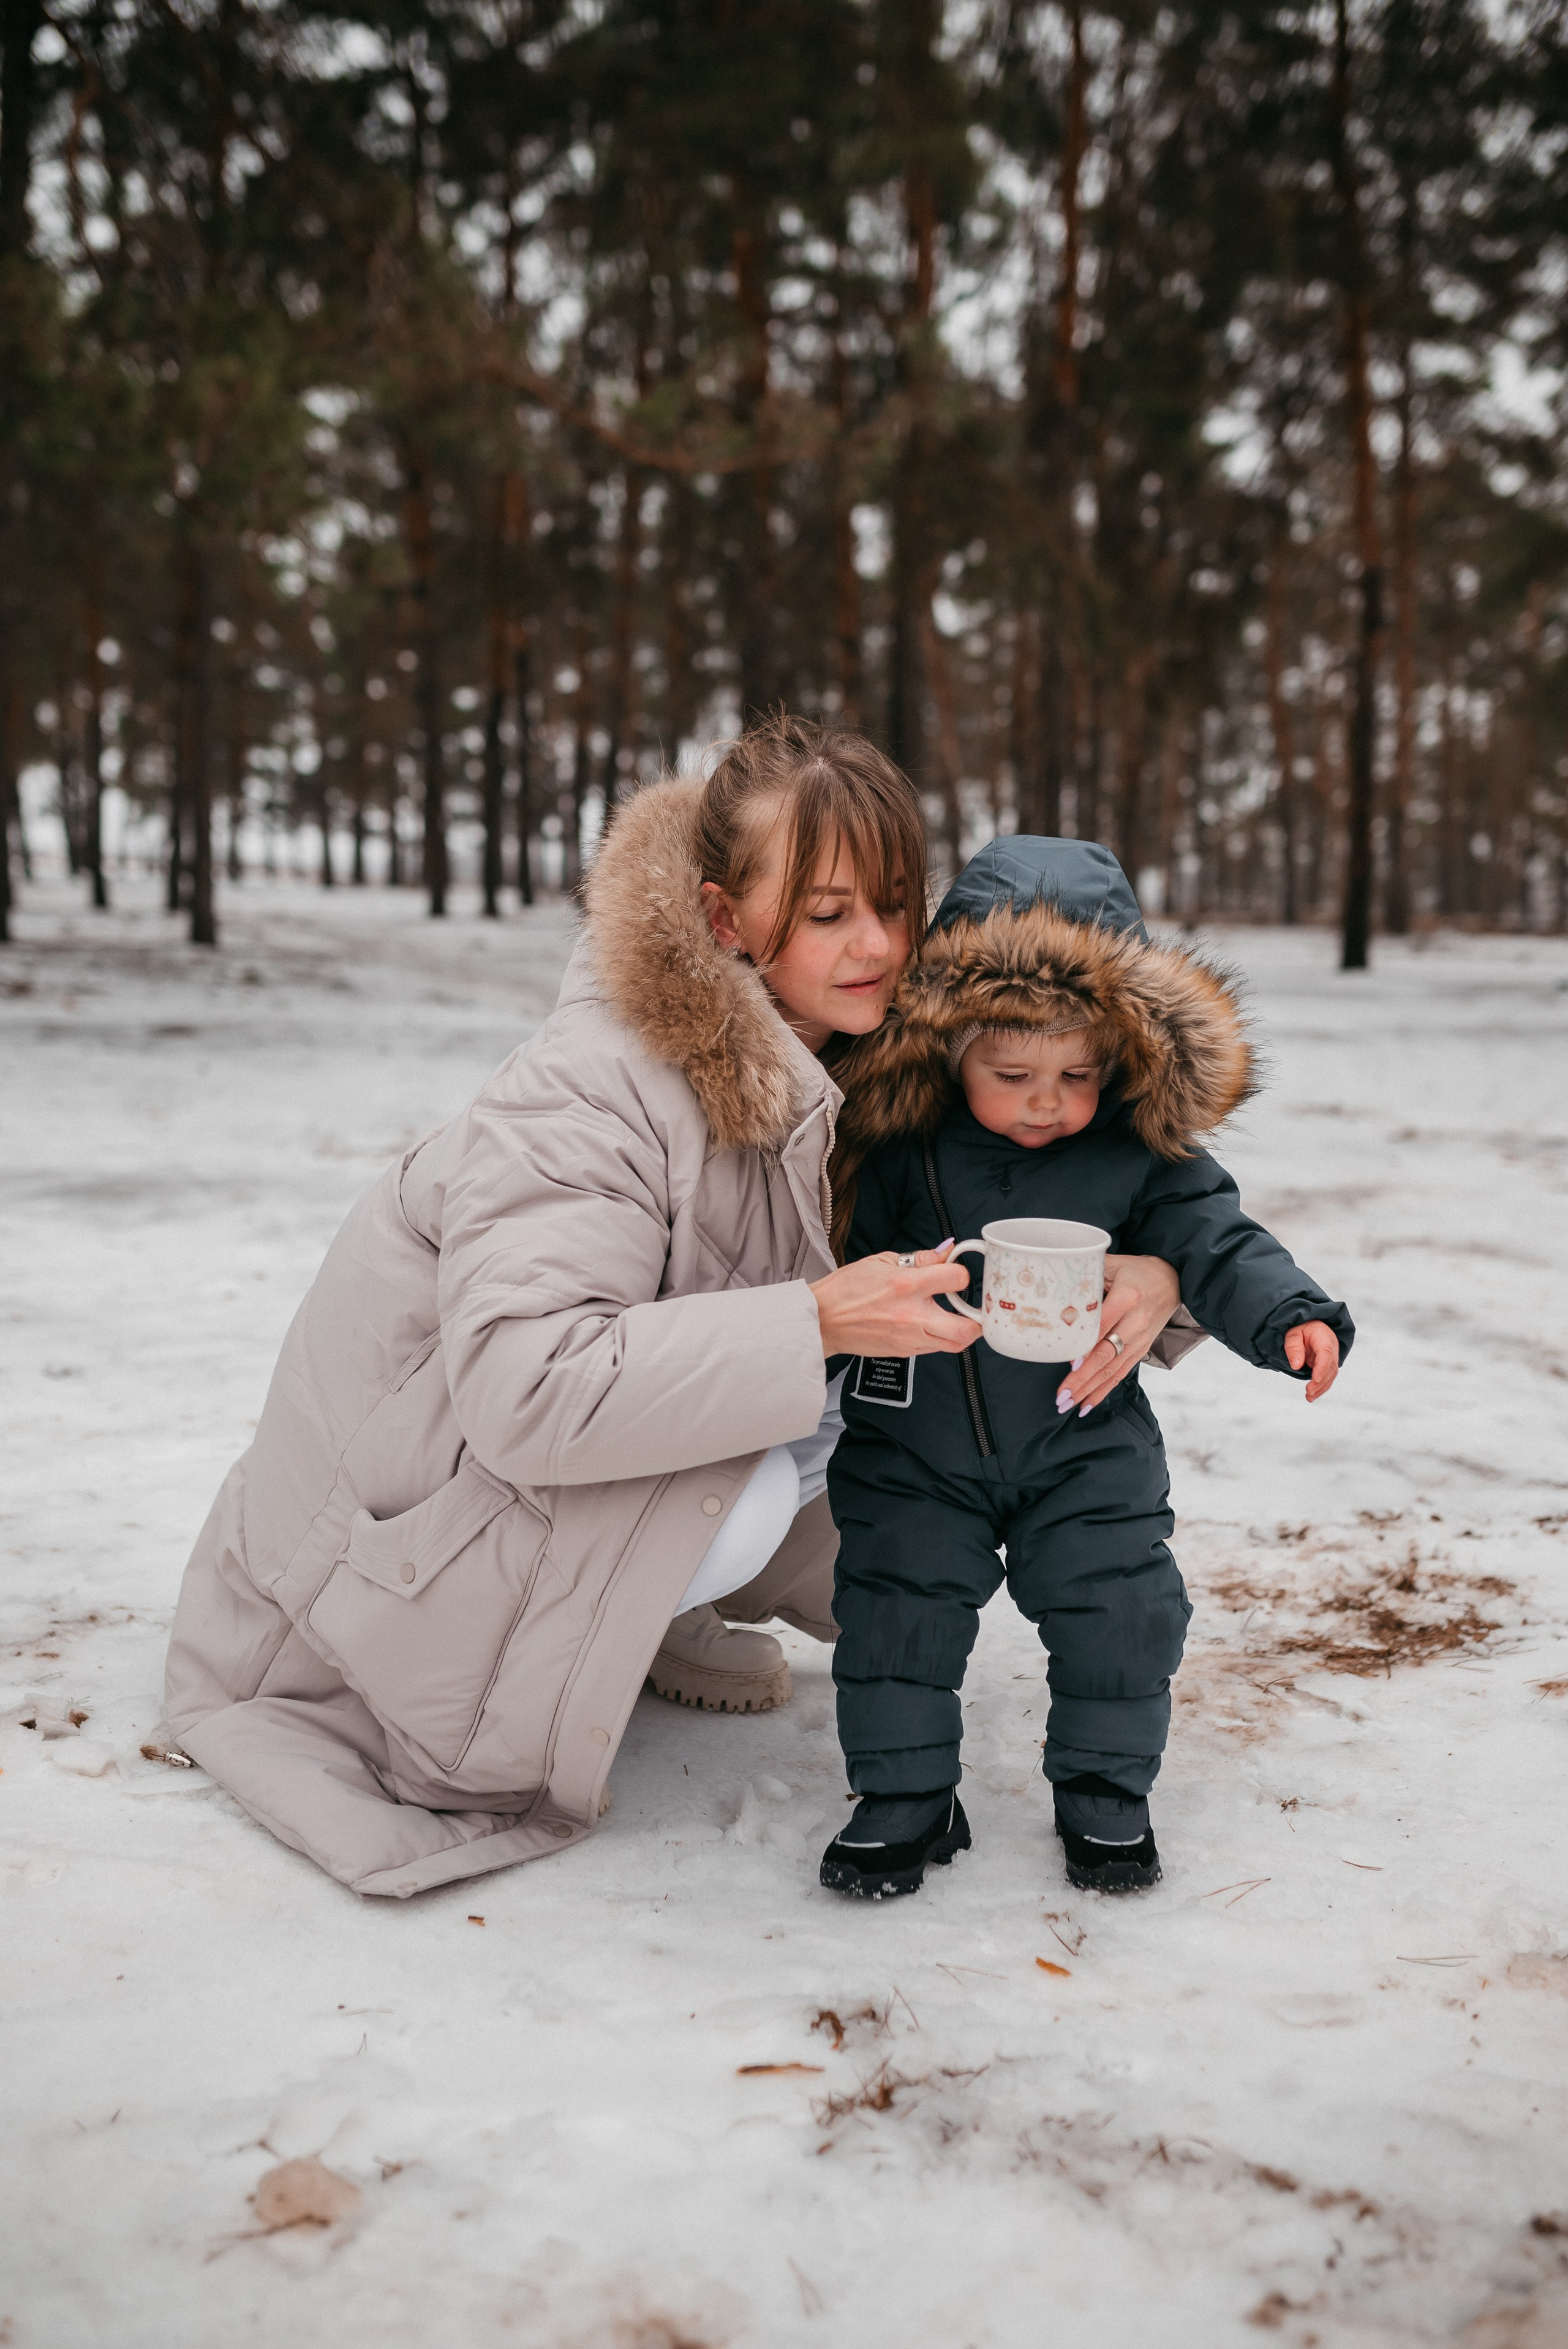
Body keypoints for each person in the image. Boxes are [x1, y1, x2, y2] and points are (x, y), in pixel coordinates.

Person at [162, 720, 1189, 1898]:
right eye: (828, 912)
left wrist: (1157, 1278)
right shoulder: (590, 1086)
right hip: (393, 1558)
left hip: (516, 1483)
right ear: (722, 918)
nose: (877, 946)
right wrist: (815, 1323)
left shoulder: (855, 1049)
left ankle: (656, 1616)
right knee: (780, 1454)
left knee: (927, 1423)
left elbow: (1056, 1188)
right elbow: (525, 1386)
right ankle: (640, 1610)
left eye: (897, 904)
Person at [816, 834, 1355, 1902]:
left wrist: (1290, 1312)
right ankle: (903, 1800)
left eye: (1079, 1073)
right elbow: (818, 1248)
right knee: (894, 1613)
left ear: (1122, 1055)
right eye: (1011, 1075)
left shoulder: (1137, 1152)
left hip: (1085, 1436)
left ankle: (1107, 1798)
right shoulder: (894, 1142)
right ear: (949, 1044)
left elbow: (1217, 1239)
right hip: (914, 1437)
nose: (1047, 1101)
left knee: (1124, 1610)